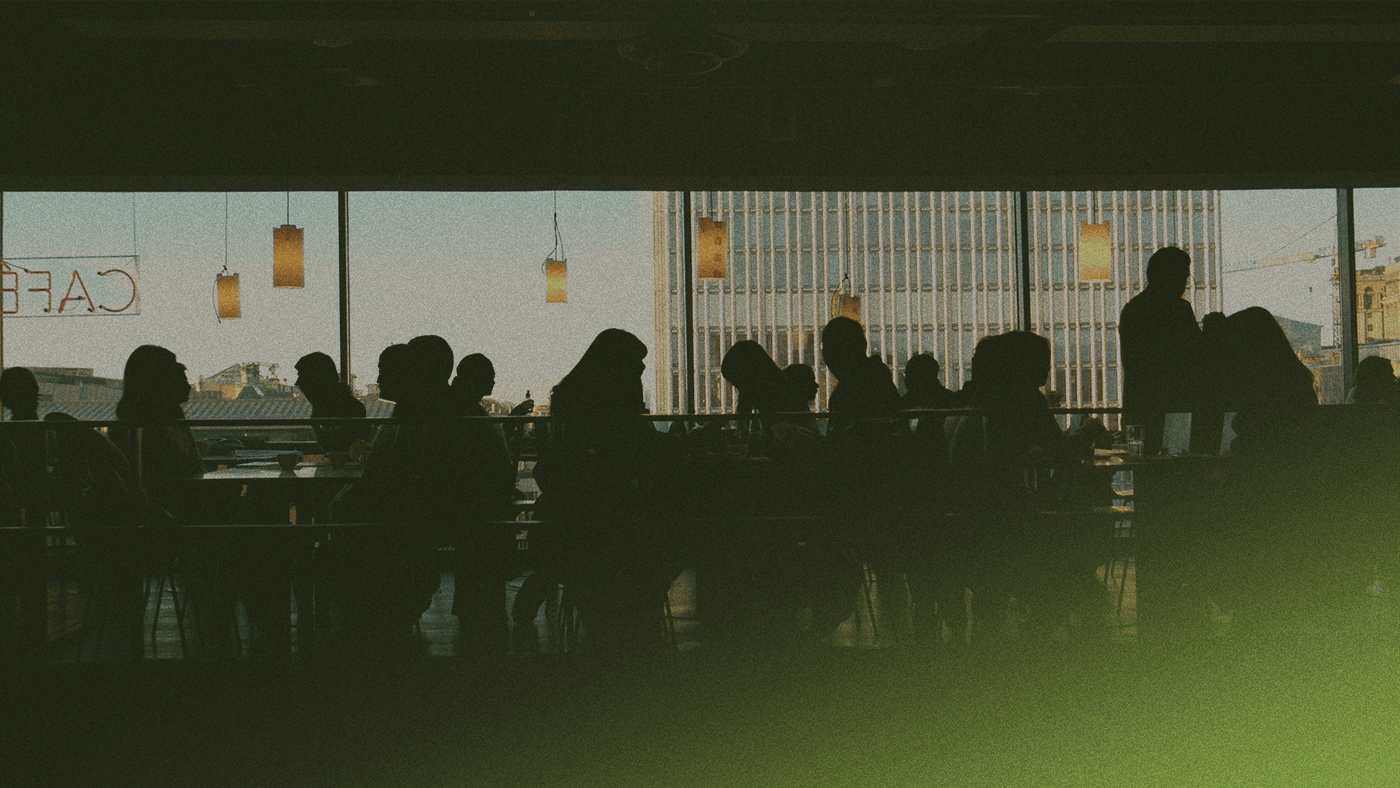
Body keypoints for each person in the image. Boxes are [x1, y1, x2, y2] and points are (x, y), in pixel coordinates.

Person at [1118, 247, 1217, 454]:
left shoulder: (1133, 309)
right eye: (1182, 274)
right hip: (1175, 413)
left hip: (1140, 410)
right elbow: (1197, 357)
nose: (1185, 281)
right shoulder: (1179, 310)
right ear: (1169, 275)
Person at [294, 352, 370, 453]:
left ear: (317, 379)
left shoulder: (327, 409)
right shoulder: (349, 407)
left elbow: (331, 449)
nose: (298, 383)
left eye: (303, 376)